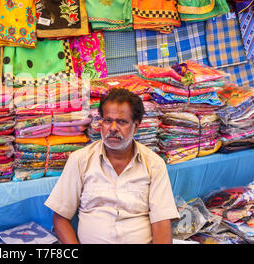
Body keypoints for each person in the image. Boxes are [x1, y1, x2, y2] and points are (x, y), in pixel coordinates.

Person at [44, 88, 179, 244]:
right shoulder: (80, 160)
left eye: (121, 122)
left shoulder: (154, 164)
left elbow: (161, 222)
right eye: (108, 120)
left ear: (135, 126)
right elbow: (60, 216)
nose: (113, 128)